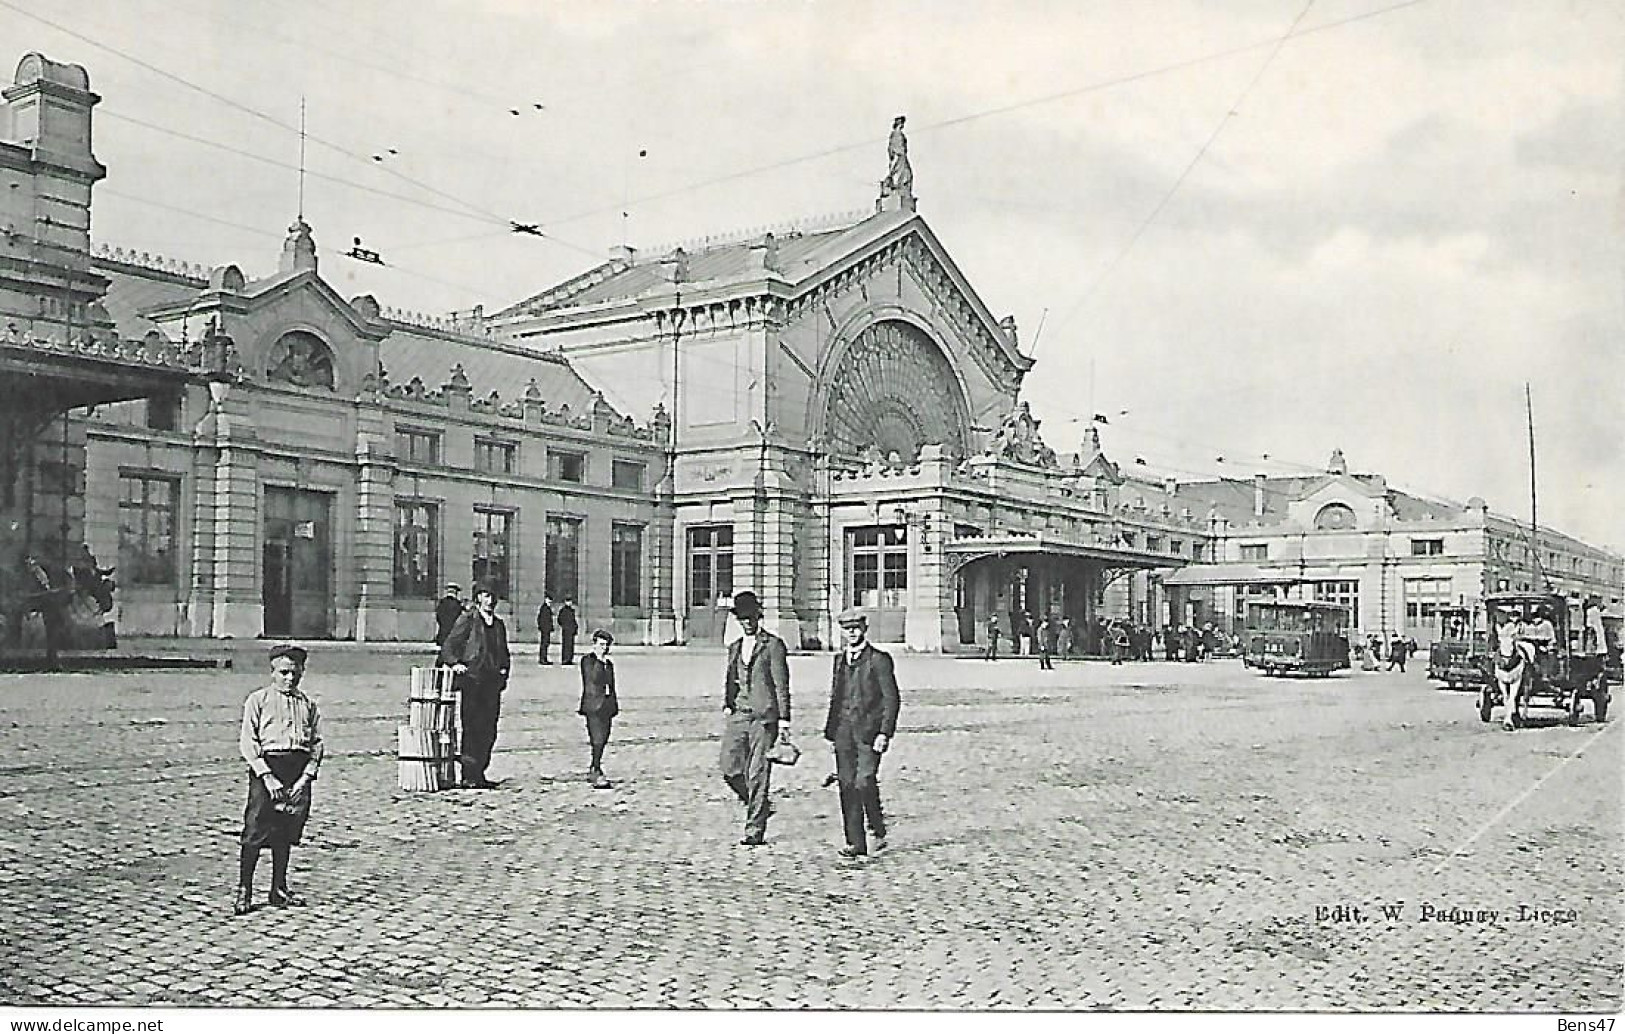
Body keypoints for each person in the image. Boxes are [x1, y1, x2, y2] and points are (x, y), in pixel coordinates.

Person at [235, 642, 324, 916]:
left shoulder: (308, 704)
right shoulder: (258, 700)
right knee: (255, 829)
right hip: (267, 770)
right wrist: (267, 776)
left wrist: (305, 778)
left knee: (285, 831)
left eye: (295, 673)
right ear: (273, 672)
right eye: (284, 672)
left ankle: (278, 888)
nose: (290, 678)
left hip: (296, 771)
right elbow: (248, 742)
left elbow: (317, 743)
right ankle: (245, 889)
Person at [824, 609, 901, 861]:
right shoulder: (839, 660)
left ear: (864, 629)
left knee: (864, 780)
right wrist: (832, 731)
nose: (852, 633)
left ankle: (877, 826)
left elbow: (891, 699)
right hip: (843, 732)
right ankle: (855, 842)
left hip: (869, 733)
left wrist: (884, 732)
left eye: (856, 627)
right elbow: (837, 696)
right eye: (847, 629)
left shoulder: (879, 660)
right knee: (846, 785)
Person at [720, 590, 790, 847]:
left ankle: (754, 829)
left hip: (763, 718)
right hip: (740, 714)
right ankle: (759, 804)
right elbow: (730, 677)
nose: (748, 622)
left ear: (759, 617)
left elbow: (781, 685)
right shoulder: (735, 647)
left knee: (758, 774)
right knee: (729, 768)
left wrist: (784, 721)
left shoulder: (773, 646)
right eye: (743, 618)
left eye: (751, 617)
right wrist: (728, 703)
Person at [439, 581, 510, 789]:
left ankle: (480, 772)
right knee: (471, 727)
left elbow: (504, 653)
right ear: (478, 597)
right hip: (472, 681)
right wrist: (455, 664)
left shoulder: (498, 624)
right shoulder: (468, 619)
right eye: (486, 596)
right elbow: (449, 646)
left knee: (490, 729)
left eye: (493, 597)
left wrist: (504, 673)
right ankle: (469, 775)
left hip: (492, 683)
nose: (490, 601)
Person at [578, 629, 618, 789]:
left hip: (607, 706)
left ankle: (595, 765)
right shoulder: (587, 661)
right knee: (597, 738)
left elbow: (611, 686)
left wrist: (614, 704)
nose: (604, 648)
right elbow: (593, 679)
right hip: (593, 706)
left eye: (606, 645)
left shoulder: (609, 664)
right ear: (594, 644)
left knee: (604, 738)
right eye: (601, 644)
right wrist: (600, 660)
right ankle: (595, 770)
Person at [434, 583, 463, 647]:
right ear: (455, 593)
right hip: (453, 635)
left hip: (442, 634)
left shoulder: (442, 603)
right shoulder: (457, 604)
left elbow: (438, 617)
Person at [558, 598, 579, 665]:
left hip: (571, 630)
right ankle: (565, 659)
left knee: (570, 646)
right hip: (566, 631)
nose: (569, 603)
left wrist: (575, 628)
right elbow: (559, 620)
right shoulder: (563, 610)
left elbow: (573, 620)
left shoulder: (572, 610)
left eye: (570, 602)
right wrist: (564, 626)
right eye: (568, 601)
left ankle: (569, 659)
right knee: (565, 645)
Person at [536, 596, 554, 665]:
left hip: (547, 629)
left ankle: (544, 658)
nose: (550, 602)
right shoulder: (544, 608)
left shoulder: (547, 608)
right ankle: (542, 659)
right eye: (549, 600)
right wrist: (542, 627)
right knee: (544, 644)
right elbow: (541, 619)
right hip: (545, 629)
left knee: (546, 644)